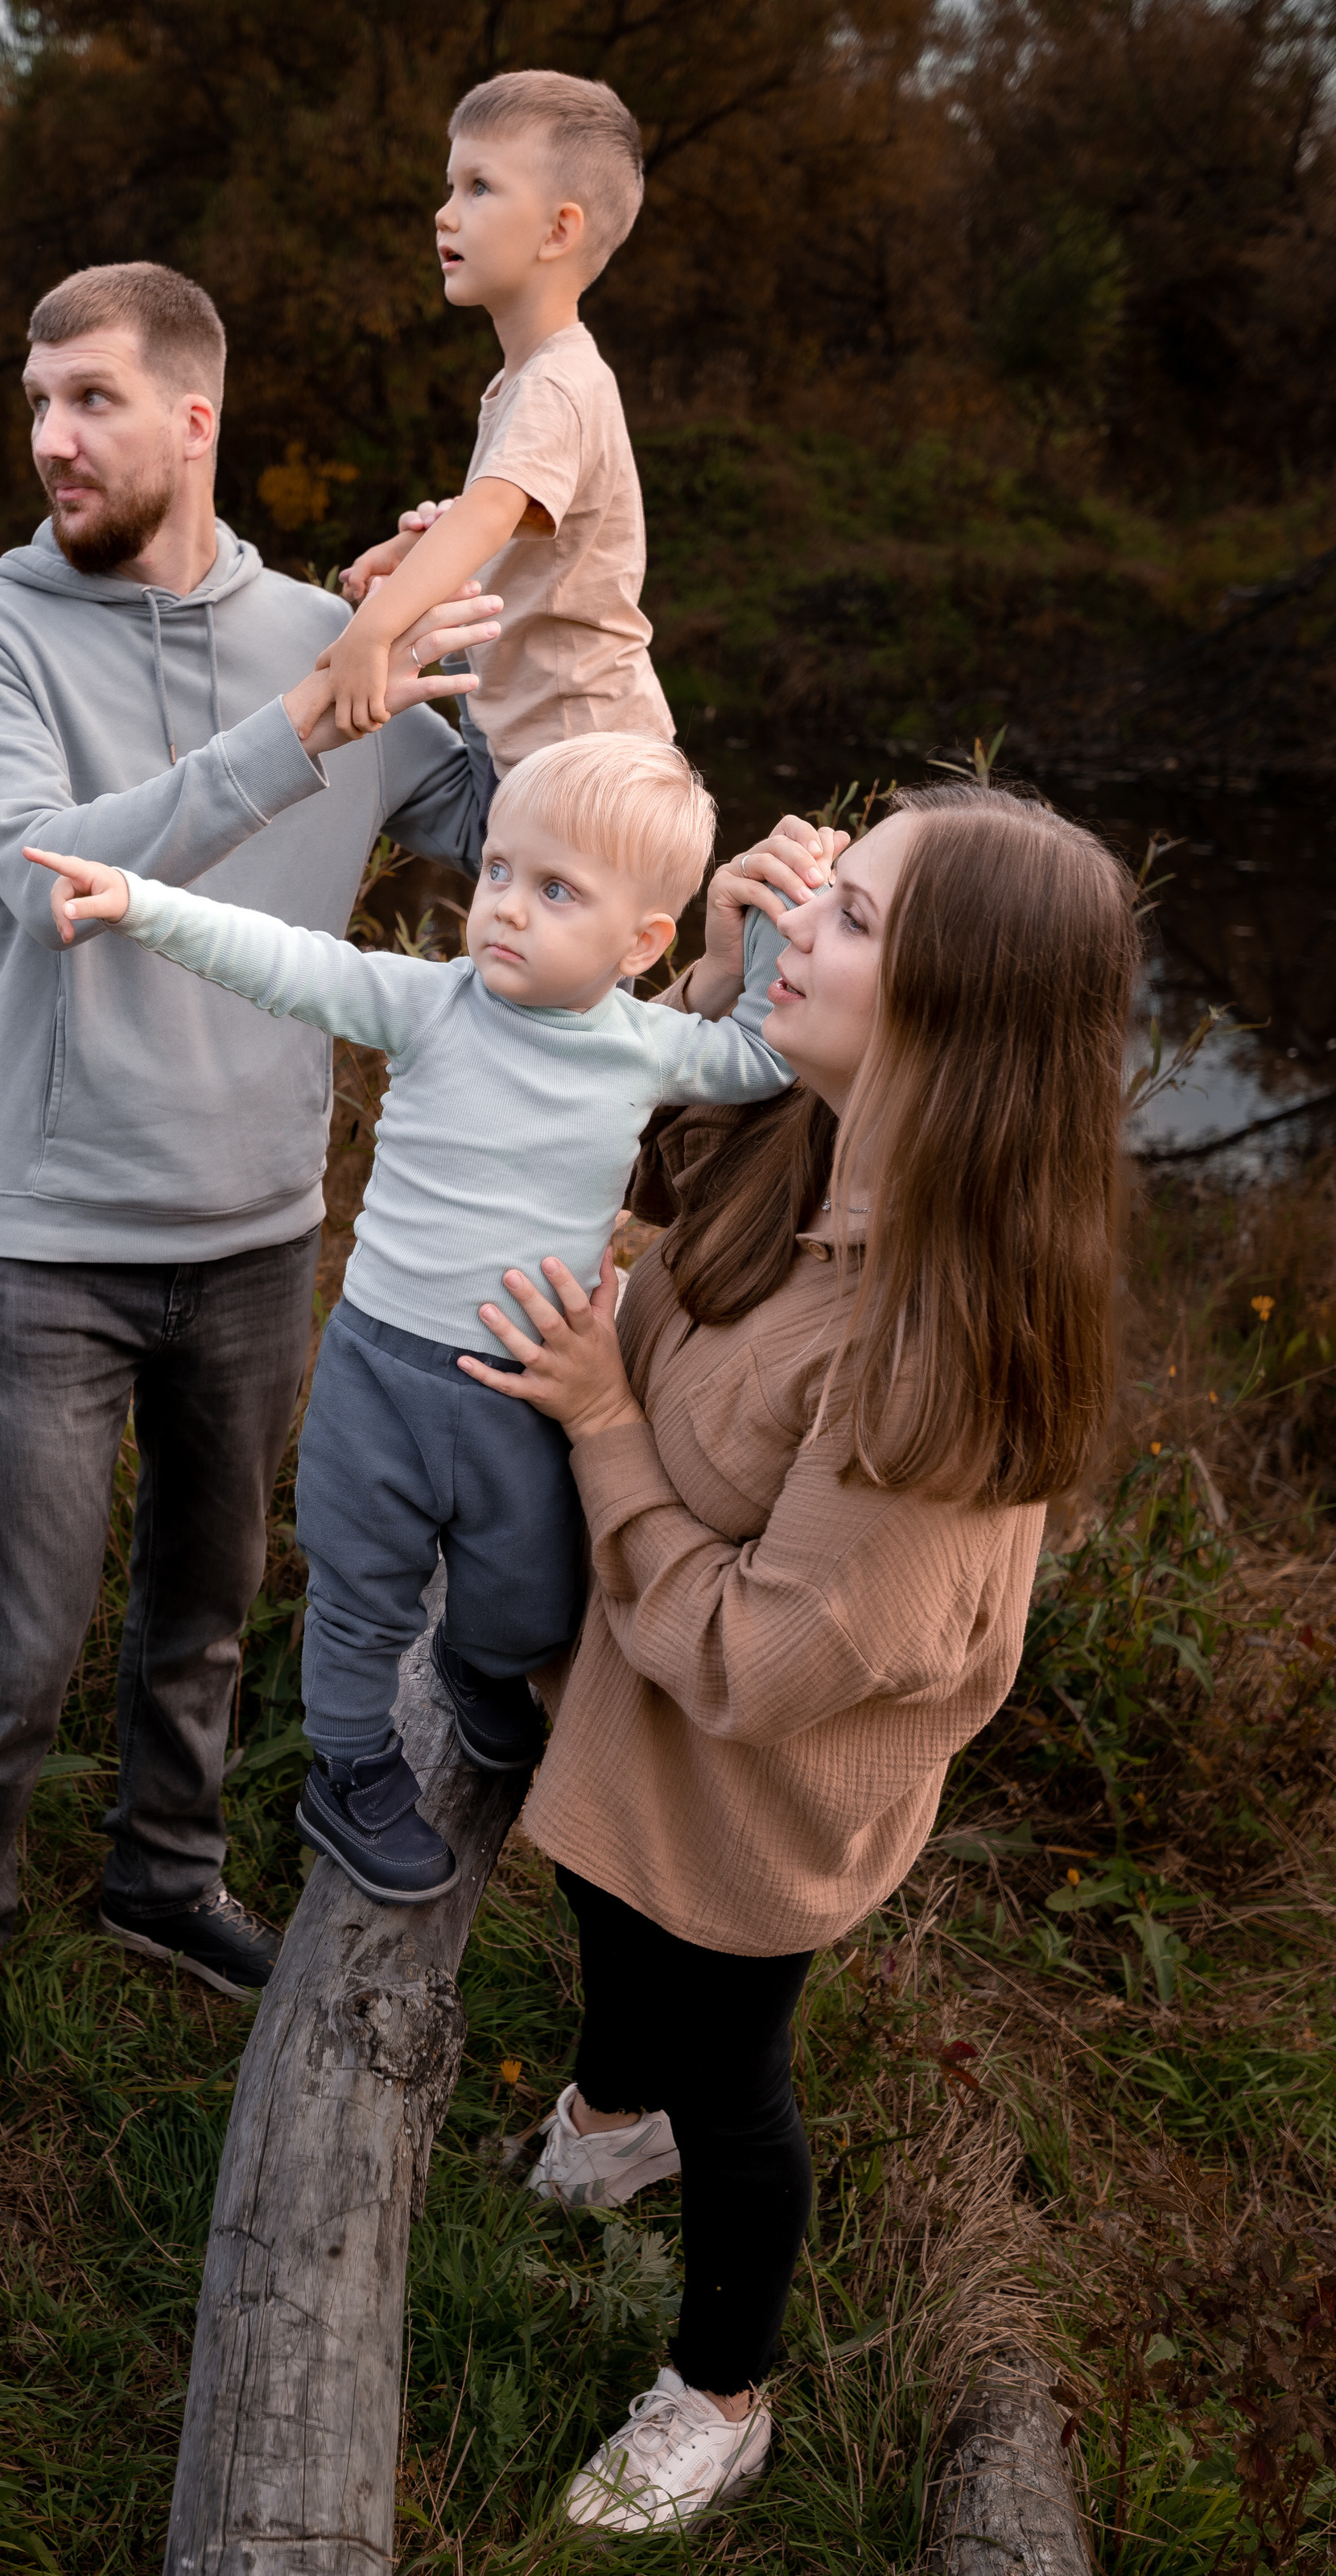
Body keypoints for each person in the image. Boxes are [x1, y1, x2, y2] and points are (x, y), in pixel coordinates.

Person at [456, 784, 1140, 2531]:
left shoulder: (936, 1355)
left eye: (849, 916)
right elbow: (633, 1153)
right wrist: (706, 979)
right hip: (636, 1700)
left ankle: (719, 2384)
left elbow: (764, 1662)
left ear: (950, 1015)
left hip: (755, 1781)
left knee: (731, 2069)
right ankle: (609, 2114)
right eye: (820, 883)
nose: (799, 914)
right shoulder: (805, 1132)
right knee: (608, 1922)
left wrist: (606, 1424)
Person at [0, 260, 503, 2160]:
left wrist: (546, 646)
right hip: (52, 1234)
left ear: (192, 419)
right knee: (18, 1642)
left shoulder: (334, 632)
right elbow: (38, 879)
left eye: (87, 399)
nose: (51, 438)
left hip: (251, 1228)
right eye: (35, 401)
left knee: (207, 1611)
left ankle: (162, 1875)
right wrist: (309, 725)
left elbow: (515, 843)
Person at [24, 733, 804, 1905]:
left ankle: (479, 1666)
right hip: (380, 1372)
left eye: (555, 892)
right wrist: (139, 900)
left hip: (523, 1386)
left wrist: (787, 919)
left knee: (530, 1591)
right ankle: (347, 1768)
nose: (502, 909)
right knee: (358, 1590)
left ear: (644, 944)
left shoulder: (649, 1048)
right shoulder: (434, 1005)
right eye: (496, 870)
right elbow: (285, 963)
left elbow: (762, 1055)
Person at [327, 69, 674, 797]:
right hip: (531, 742)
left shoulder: (556, 383)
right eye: (450, 187)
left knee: (543, 915)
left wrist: (375, 631)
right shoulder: (526, 381)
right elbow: (516, 529)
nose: (444, 215)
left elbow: (489, 513)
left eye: (479, 187)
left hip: (584, 756)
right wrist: (412, 550)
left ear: (558, 230)